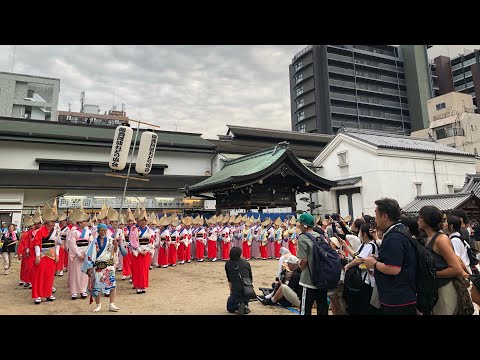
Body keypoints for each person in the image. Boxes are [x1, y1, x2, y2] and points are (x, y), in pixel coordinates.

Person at [363, 198, 417, 315]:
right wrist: (379, 260)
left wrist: (374, 264)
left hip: (397, 298)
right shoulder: (400, 230)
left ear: (385, 216)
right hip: (402, 295)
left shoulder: (393, 237)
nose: (375, 218)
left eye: (376, 214)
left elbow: (394, 269)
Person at [417, 206, 464, 315]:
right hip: (434, 289)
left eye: (420, 217)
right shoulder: (426, 238)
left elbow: (456, 269)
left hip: (444, 289)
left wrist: (432, 274)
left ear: (428, 220)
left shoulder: (441, 240)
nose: (418, 219)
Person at [81, 223, 120, 312]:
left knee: (112, 285)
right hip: (98, 266)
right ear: (98, 231)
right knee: (97, 286)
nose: (103, 232)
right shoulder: (94, 242)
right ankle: (98, 305)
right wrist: (90, 268)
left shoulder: (110, 240)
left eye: (105, 230)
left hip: (108, 266)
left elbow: (114, 252)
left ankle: (112, 304)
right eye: (101, 230)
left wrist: (116, 245)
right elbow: (90, 255)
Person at [296, 212, 328, 316]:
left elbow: (304, 260)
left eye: (300, 224)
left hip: (308, 279)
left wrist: (300, 268)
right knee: (322, 308)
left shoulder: (303, 238)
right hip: (322, 278)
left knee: (305, 309)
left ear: (303, 225)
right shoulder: (320, 236)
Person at [225, 246, 253, 315]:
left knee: (230, 307)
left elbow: (229, 280)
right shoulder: (246, 263)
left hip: (236, 290)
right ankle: (244, 304)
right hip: (248, 290)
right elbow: (250, 278)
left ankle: (238, 305)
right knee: (243, 297)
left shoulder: (228, 264)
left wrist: (232, 293)